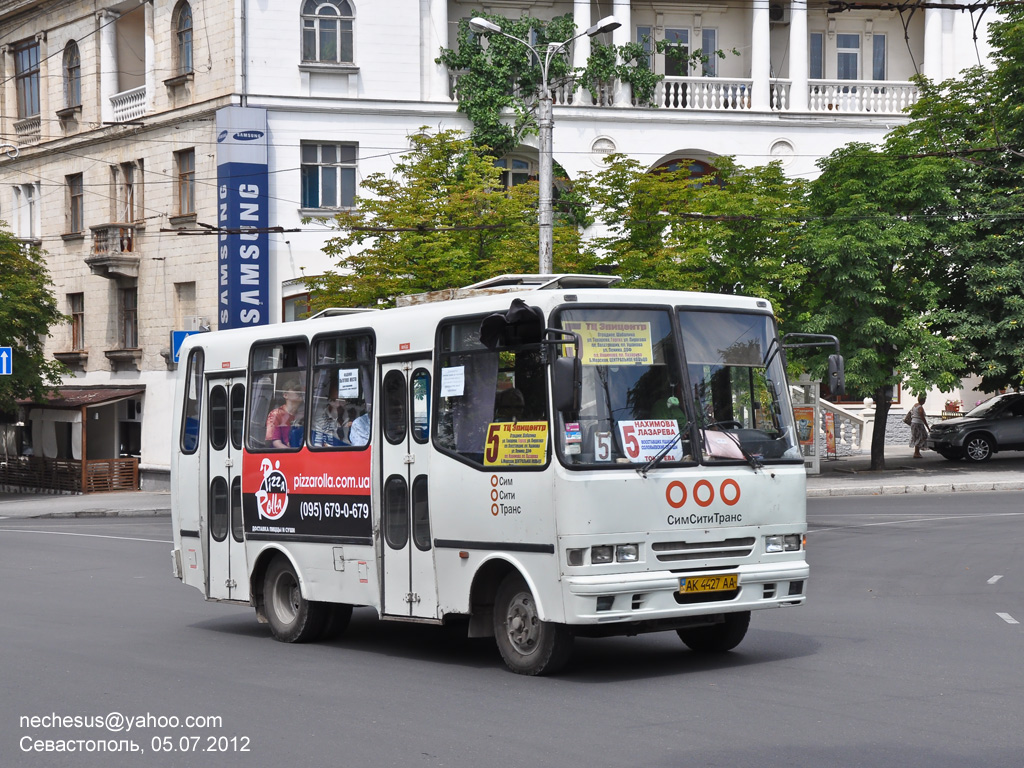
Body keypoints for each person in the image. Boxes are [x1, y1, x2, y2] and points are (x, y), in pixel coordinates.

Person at [266, 377, 305, 449]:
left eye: (300, 390)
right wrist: (295, 454)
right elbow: (276, 443)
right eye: (296, 390)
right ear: (285, 395)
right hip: (281, 456)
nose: (300, 393)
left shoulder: (303, 415)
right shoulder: (276, 414)